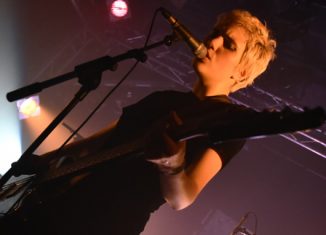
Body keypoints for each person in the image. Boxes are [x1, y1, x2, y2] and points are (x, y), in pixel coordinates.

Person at [2, 9, 276, 235]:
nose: (213, 42)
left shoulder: (229, 120)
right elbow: (103, 142)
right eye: (216, 34)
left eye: (229, 45)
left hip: (106, 224)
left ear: (241, 73)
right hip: (59, 206)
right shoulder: (163, 98)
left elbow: (183, 198)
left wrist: (172, 166)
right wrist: (46, 159)